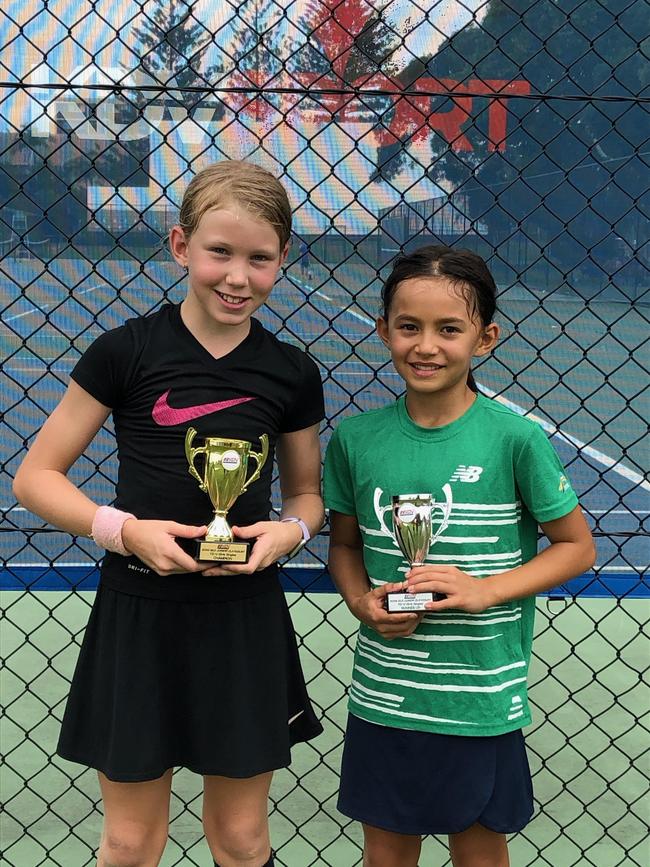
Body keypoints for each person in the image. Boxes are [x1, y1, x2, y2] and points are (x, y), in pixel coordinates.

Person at [13, 160, 325, 867]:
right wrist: (121, 529)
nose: (237, 276)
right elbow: (36, 477)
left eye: (259, 258)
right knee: (128, 841)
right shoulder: (125, 351)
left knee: (242, 838)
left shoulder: (291, 371)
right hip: (139, 610)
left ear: (283, 260)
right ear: (181, 245)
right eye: (220, 252)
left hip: (243, 615)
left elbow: (308, 493)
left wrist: (290, 529)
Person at [323, 245, 596, 867]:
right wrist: (362, 602)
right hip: (386, 696)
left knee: (479, 852)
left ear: (485, 338)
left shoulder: (516, 438)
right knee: (386, 855)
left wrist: (486, 589)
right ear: (383, 330)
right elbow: (343, 546)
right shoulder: (357, 439)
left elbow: (577, 546)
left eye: (449, 329)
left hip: (478, 700)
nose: (426, 346)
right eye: (409, 327)